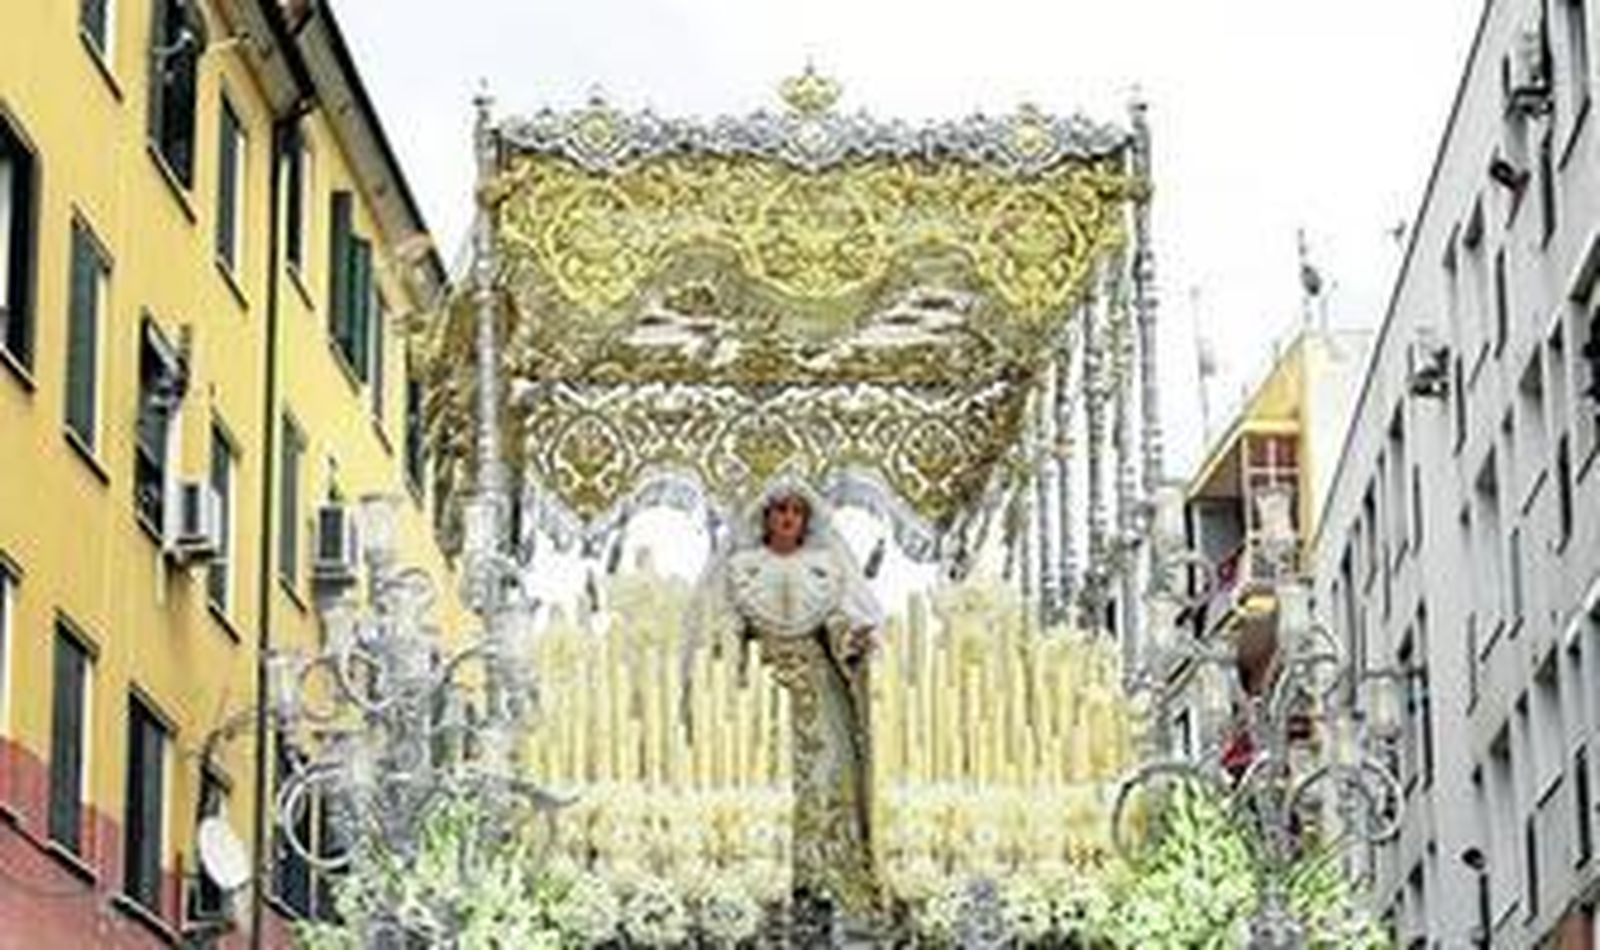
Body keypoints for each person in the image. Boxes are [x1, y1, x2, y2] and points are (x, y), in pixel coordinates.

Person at [684, 479, 884, 928]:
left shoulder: (827, 567)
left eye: (796, 511)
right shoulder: (741, 568)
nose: (789, 518)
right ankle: (764, 870)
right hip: (760, 682)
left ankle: (823, 870)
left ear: (807, 520)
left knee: (828, 767)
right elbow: (726, 625)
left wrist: (854, 639)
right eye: (780, 510)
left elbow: (837, 621)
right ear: (765, 518)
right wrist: (726, 657)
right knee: (762, 764)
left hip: (817, 683)